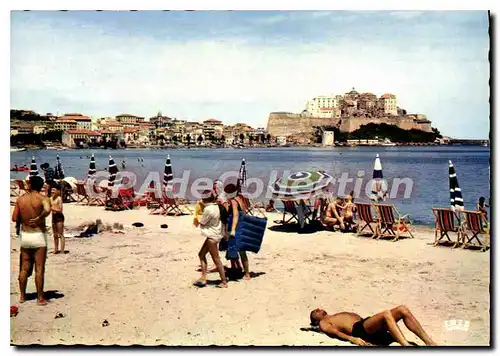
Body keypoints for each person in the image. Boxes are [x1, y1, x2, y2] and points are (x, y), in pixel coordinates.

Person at [309, 305, 437, 347]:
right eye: (316, 311)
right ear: (315, 320)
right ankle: (406, 346)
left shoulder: (334, 315)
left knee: (402, 309)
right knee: (386, 314)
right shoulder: (323, 323)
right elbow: (334, 333)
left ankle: (430, 343)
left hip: (367, 325)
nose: (319, 309)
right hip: (359, 330)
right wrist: (352, 339)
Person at [11, 176, 51, 306]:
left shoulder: (20, 199)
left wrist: (24, 218)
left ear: (30, 185)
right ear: (40, 186)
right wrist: (39, 218)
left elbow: (14, 217)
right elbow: (48, 210)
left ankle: (22, 296)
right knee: (39, 268)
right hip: (38, 234)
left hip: (25, 235)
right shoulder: (43, 198)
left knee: (24, 267)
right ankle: (40, 298)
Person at [193, 191, 228, 288]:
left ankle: (224, 282)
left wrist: (197, 220)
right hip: (216, 234)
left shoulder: (208, 209)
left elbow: (203, 222)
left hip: (212, 236)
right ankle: (203, 278)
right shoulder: (217, 206)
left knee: (216, 259)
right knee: (201, 254)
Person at [224, 183, 251, 280]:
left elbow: (235, 215)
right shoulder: (240, 199)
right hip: (240, 226)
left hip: (236, 227)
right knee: (239, 250)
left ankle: (247, 273)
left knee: (239, 250)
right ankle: (238, 269)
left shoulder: (233, 201)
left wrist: (233, 230)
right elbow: (243, 211)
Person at [50, 183, 65, 254]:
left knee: (61, 234)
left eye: (54, 190)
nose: (52, 191)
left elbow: (60, 210)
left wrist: (51, 208)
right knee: (55, 234)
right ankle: (55, 249)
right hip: (53, 217)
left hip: (59, 217)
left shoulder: (59, 198)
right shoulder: (50, 198)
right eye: (51, 190)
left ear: (58, 191)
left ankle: (62, 250)